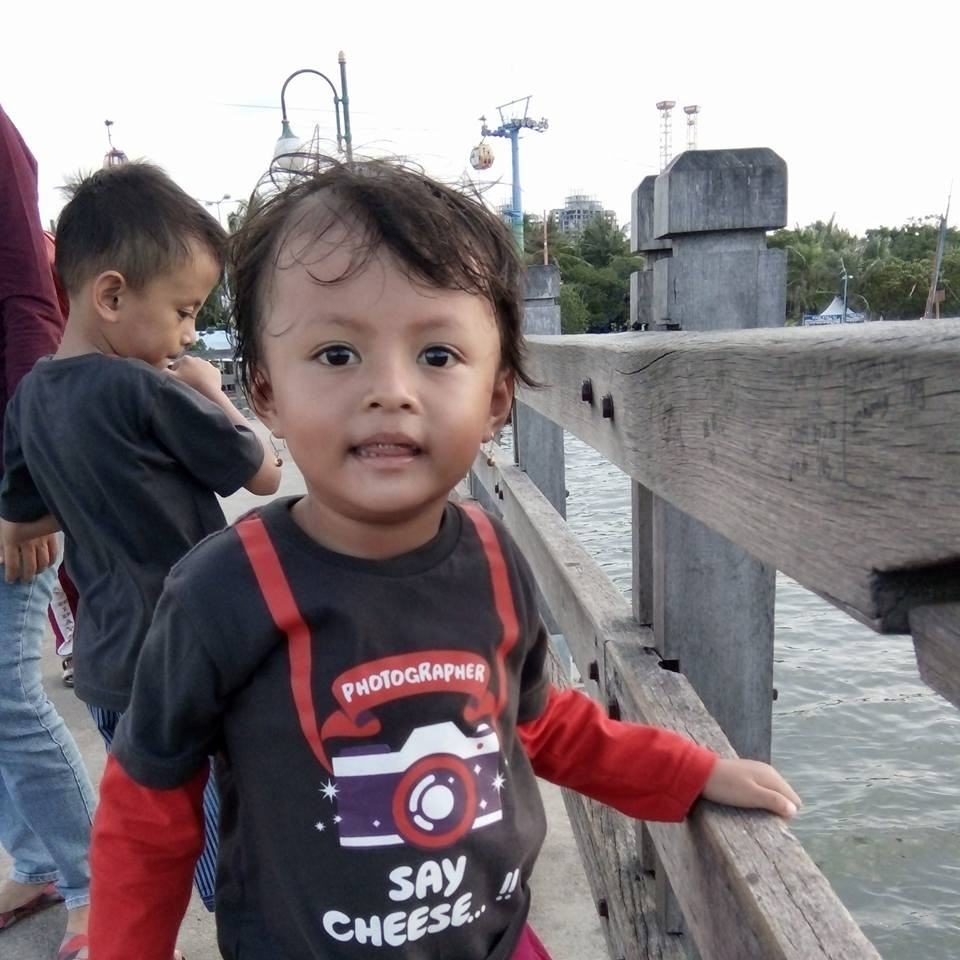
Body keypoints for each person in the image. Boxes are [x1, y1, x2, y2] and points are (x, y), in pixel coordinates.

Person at [87, 158, 800, 960]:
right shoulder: (219, 592)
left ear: (496, 398)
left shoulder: (493, 557)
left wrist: (687, 774)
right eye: (336, 354)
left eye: (437, 356)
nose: (391, 390)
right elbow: (147, 813)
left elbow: (538, 722)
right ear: (265, 393)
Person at [0, 161, 282, 937]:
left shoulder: (30, 398)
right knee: (239, 840)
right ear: (112, 296)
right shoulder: (144, 390)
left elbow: (22, 513)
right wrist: (211, 391)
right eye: (184, 311)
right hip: (196, 654)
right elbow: (262, 471)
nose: (188, 334)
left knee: (169, 829)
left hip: (107, 669)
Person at [0, 103, 96, 959]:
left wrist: (26, 488)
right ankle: (37, 863)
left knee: (7, 690)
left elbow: (29, 307)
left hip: (4, 476)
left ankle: (100, 885)